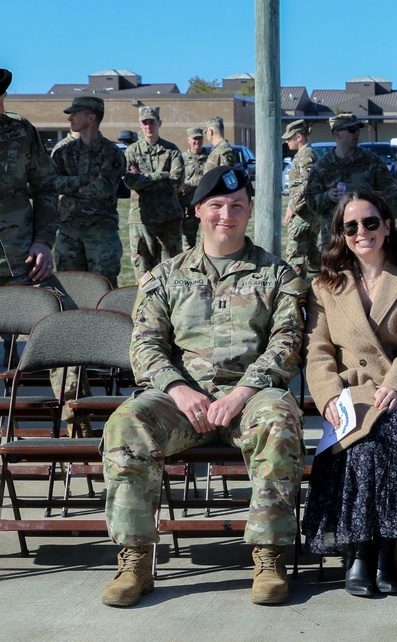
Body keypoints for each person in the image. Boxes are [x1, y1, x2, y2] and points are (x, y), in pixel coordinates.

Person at [101, 166, 308, 607]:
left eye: (236, 206)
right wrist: (177, 388)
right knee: (126, 424)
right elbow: (145, 345)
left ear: (250, 209)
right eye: (215, 205)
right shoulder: (166, 275)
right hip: (182, 401)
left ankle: (268, 556)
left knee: (279, 419)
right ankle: (136, 558)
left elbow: (288, 342)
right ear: (198, 210)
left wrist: (243, 392)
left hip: (249, 397)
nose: (225, 215)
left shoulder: (277, 274)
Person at [301, 189, 397, 598]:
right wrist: (329, 395)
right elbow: (318, 349)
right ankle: (361, 552)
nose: (361, 232)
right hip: (351, 391)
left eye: (370, 222)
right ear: (340, 234)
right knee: (362, 442)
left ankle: (387, 551)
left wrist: (396, 385)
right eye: (350, 226)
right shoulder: (325, 285)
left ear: (387, 225)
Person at [0, 67, 58, 366]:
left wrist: (44, 241)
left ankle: (67, 412)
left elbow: (46, 187)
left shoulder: (21, 131)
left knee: (41, 341)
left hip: (21, 258)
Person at [50, 96, 126, 285]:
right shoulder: (63, 152)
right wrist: (84, 180)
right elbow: (52, 184)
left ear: (91, 118)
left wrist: (70, 187)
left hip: (100, 232)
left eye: (75, 114)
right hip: (69, 231)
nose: (70, 118)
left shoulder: (111, 153)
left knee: (102, 287)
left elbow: (103, 190)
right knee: (71, 287)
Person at [304, 113, 397, 253]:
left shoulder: (373, 162)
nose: (357, 134)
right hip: (334, 238)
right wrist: (327, 197)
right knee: (335, 274)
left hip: (367, 236)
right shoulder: (323, 166)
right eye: (351, 130)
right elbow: (310, 201)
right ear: (337, 134)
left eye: (358, 130)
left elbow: (391, 198)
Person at [123, 106, 184, 278]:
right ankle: (145, 303)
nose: (148, 127)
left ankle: (170, 304)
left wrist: (144, 179)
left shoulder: (171, 150)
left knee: (171, 269)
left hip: (169, 218)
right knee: (143, 269)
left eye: (152, 122)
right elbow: (130, 181)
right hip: (141, 219)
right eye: (145, 123)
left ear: (160, 123)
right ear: (140, 125)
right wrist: (160, 175)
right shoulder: (132, 151)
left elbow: (176, 181)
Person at [281, 119, 320, 278]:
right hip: (308, 212)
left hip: (304, 214)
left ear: (299, 137)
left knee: (294, 255)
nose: (286, 141)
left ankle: (298, 293)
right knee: (311, 252)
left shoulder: (305, 156)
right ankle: (323, 283)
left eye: (289, 138)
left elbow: (308, 185)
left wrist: (293, 206)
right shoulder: (304, 154)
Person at [178, 127, 208, 251]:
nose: (197, 142)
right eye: (194, 139)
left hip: (205, 204)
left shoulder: (210, 158)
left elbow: (208, 178)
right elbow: (177, 180)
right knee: (188, 243)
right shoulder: (181, 159)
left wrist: (189, 183)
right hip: (188, 206)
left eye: (200, 138)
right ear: (188, 140)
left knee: (206, 240)